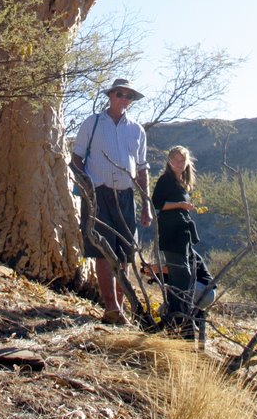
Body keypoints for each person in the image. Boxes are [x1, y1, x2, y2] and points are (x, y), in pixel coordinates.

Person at [71, 77, 152, 325]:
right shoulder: (93, 123)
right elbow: (76, 159)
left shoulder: (136, 130)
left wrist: (146, 204)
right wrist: (88, 189)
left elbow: (141, 169)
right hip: (99, 195)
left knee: (126, 255)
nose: (124, 99)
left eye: (128, 96)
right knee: (104, 252)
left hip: (126, 197)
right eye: (120, 94)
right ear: (110, 96)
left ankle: (122, 308)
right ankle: (111, 308)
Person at [152, 145, 213, 335]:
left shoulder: (182, 182)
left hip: (182, 234)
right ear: (169, 161)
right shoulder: (165, 181)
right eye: (175, 160)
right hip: (171, 233)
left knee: (184, 275)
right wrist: (180, 204)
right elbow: (157, 204)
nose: (179, 164)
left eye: (182, 161)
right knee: (182, 276)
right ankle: (178, 318)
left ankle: (180, 317)